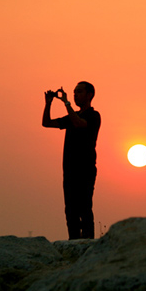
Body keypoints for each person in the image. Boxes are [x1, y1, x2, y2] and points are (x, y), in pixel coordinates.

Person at [42, 81, 101, 239]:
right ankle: (73, 242)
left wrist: (66, 102)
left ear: (89, 95)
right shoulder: (72, 116)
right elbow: (46, 123)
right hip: (69, 171)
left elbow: (78, 123)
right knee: (70, 210)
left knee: (84, 207)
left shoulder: (93, 116)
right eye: (74, 92)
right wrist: (48, 104)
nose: (75, 95)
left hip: (85, 169)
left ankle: (88, 244)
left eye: (79, 92)